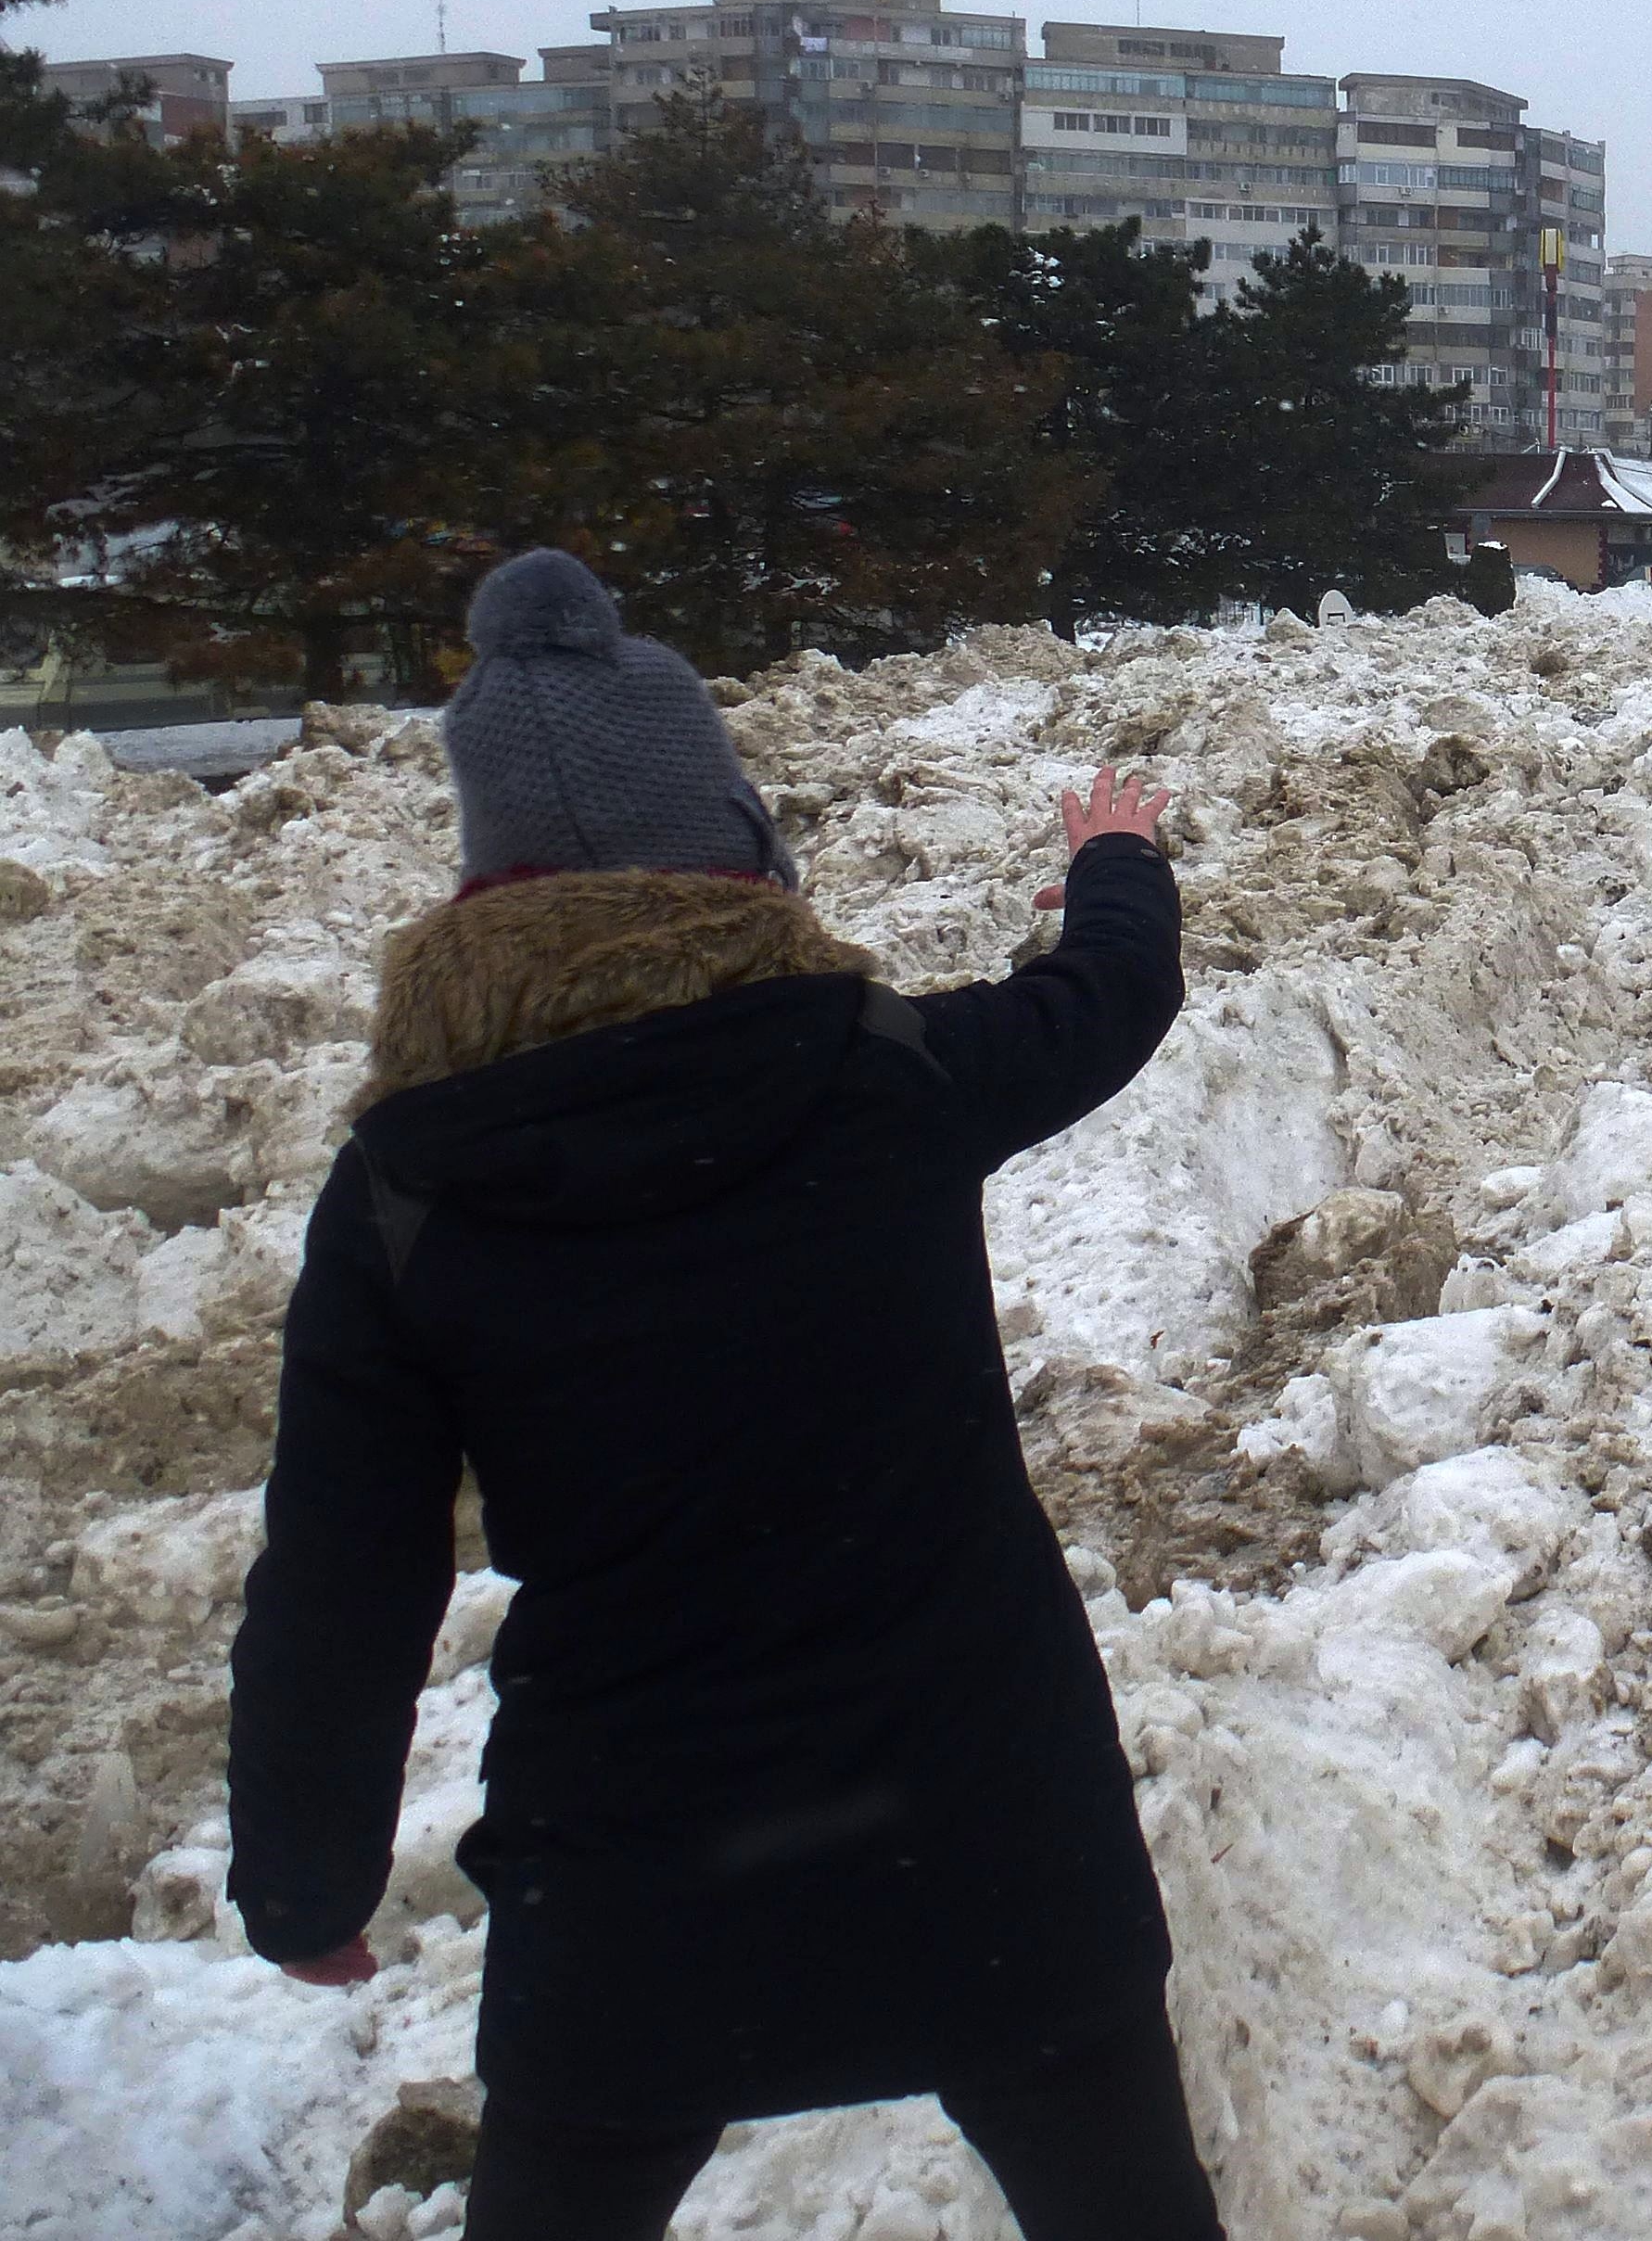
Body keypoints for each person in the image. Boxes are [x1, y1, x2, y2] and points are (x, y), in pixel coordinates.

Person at [224, 549, 1221, 2241]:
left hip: (639, 1881)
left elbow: (344, 1571)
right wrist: (1115, 858)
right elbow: (1105, 999)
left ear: (483, 893)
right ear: (738, 849)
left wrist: (306, 1876)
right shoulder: (880, 1076)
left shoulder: (409, 1190)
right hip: (984, 1836)